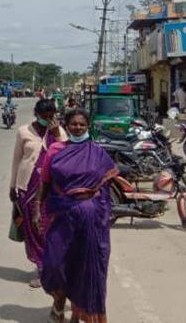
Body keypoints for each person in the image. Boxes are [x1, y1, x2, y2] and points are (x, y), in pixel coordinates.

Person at [36, 109, 118, 323]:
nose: (78, 128)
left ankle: (79, 312)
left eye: (82, 124)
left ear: (87, 126)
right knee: (55, 264)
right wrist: (37, 208)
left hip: (92, 221)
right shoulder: (55, 150)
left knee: (85, 267)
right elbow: (44, 182)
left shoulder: (98, 153)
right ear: (67, 125)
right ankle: (58, 302)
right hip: (62, 217)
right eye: (74, 124)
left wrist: (100, 211)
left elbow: (106, 187)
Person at [8, 98, 65, 288]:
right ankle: (42, 268)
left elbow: (68, 152)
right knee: (34, 229)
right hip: (28, 187)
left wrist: (57, 134)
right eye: (44, 116)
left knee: (50, 229)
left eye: (51, 116)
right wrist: (12, 186)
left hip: (52, 189)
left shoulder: (58, 130)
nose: (47, 120)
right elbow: (17, 160)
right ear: (36, 114)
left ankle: (53, 266)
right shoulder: (24, 131)